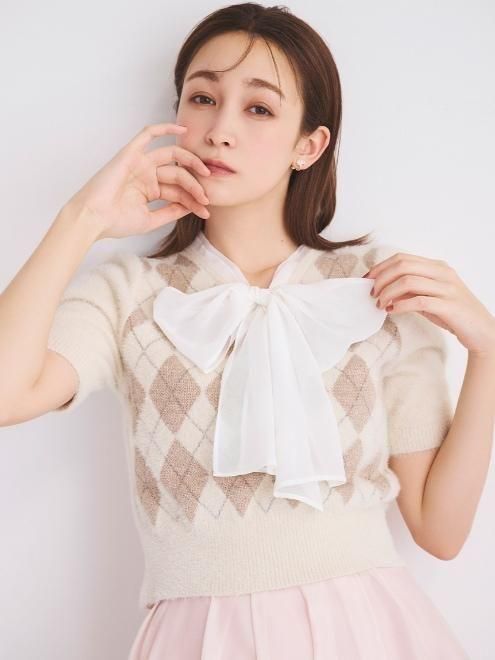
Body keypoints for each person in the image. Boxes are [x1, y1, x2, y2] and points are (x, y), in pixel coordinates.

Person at [1, 3, 493, 658]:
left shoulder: (375, 289)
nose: (220, 130)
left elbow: (440, 530)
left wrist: (488, 351)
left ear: (308, 145)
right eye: (202, 99)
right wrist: (82, 219)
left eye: (258, 108)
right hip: (198, 637)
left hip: (366, 629)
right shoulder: (129, 295)